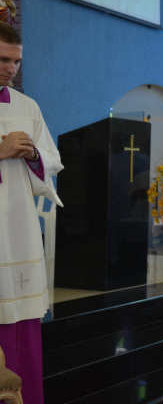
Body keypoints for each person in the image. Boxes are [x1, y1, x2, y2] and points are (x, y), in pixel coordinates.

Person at [0, 22, 63, 404]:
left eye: (17, 62)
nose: (11, 69)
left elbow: (51, 157)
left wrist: (33, 154)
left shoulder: (27, 106)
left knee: (22, 322)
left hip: (19, 228)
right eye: (4, 60)